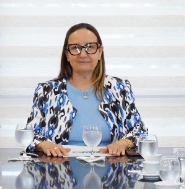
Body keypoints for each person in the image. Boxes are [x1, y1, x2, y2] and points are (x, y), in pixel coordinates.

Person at [23, 23, 147, 157]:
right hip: (58, 167)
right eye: (75, 48)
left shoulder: (119, 88)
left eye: (90, 47)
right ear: (67, 55)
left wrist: (123, 143)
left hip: (111, 167)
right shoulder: (47, 91)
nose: (83, 54)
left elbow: (139, 131)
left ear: (100, 52)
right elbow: (30, 134)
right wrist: (44, 144)